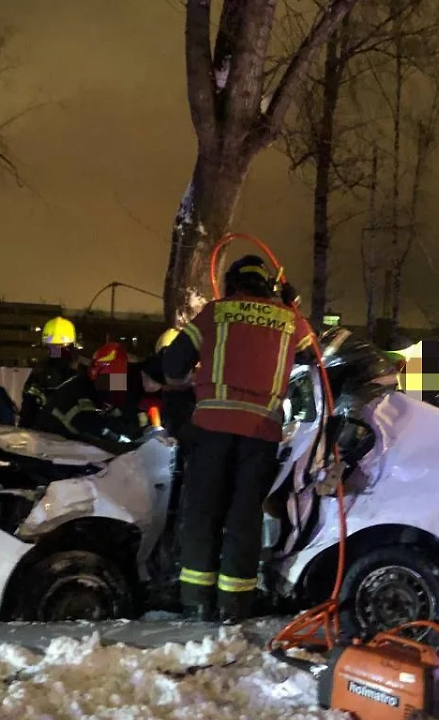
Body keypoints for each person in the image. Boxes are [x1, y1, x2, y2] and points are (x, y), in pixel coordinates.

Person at [162, 254, 315, 623]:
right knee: (244, 516)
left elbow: (172, 366)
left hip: (212, 429)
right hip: (261, 434)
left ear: (231, 283)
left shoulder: (216, 313)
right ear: (269, 285)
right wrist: (293, 305)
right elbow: (317, 359)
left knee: (203, 512)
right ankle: (234, 605)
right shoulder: (288, 319)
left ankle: (197, 601)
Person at [34, 341, 154, 448]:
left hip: (63, 447)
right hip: (51, 450)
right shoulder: (79, 391)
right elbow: (93, 426)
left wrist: (139, 427)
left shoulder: (97, 387)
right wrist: (124, 441)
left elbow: (119, 412)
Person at [19, 316, 79, 430]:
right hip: (72, 436)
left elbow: (28, 409)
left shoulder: (41, 370)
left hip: (45, 434)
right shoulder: (81, 369)